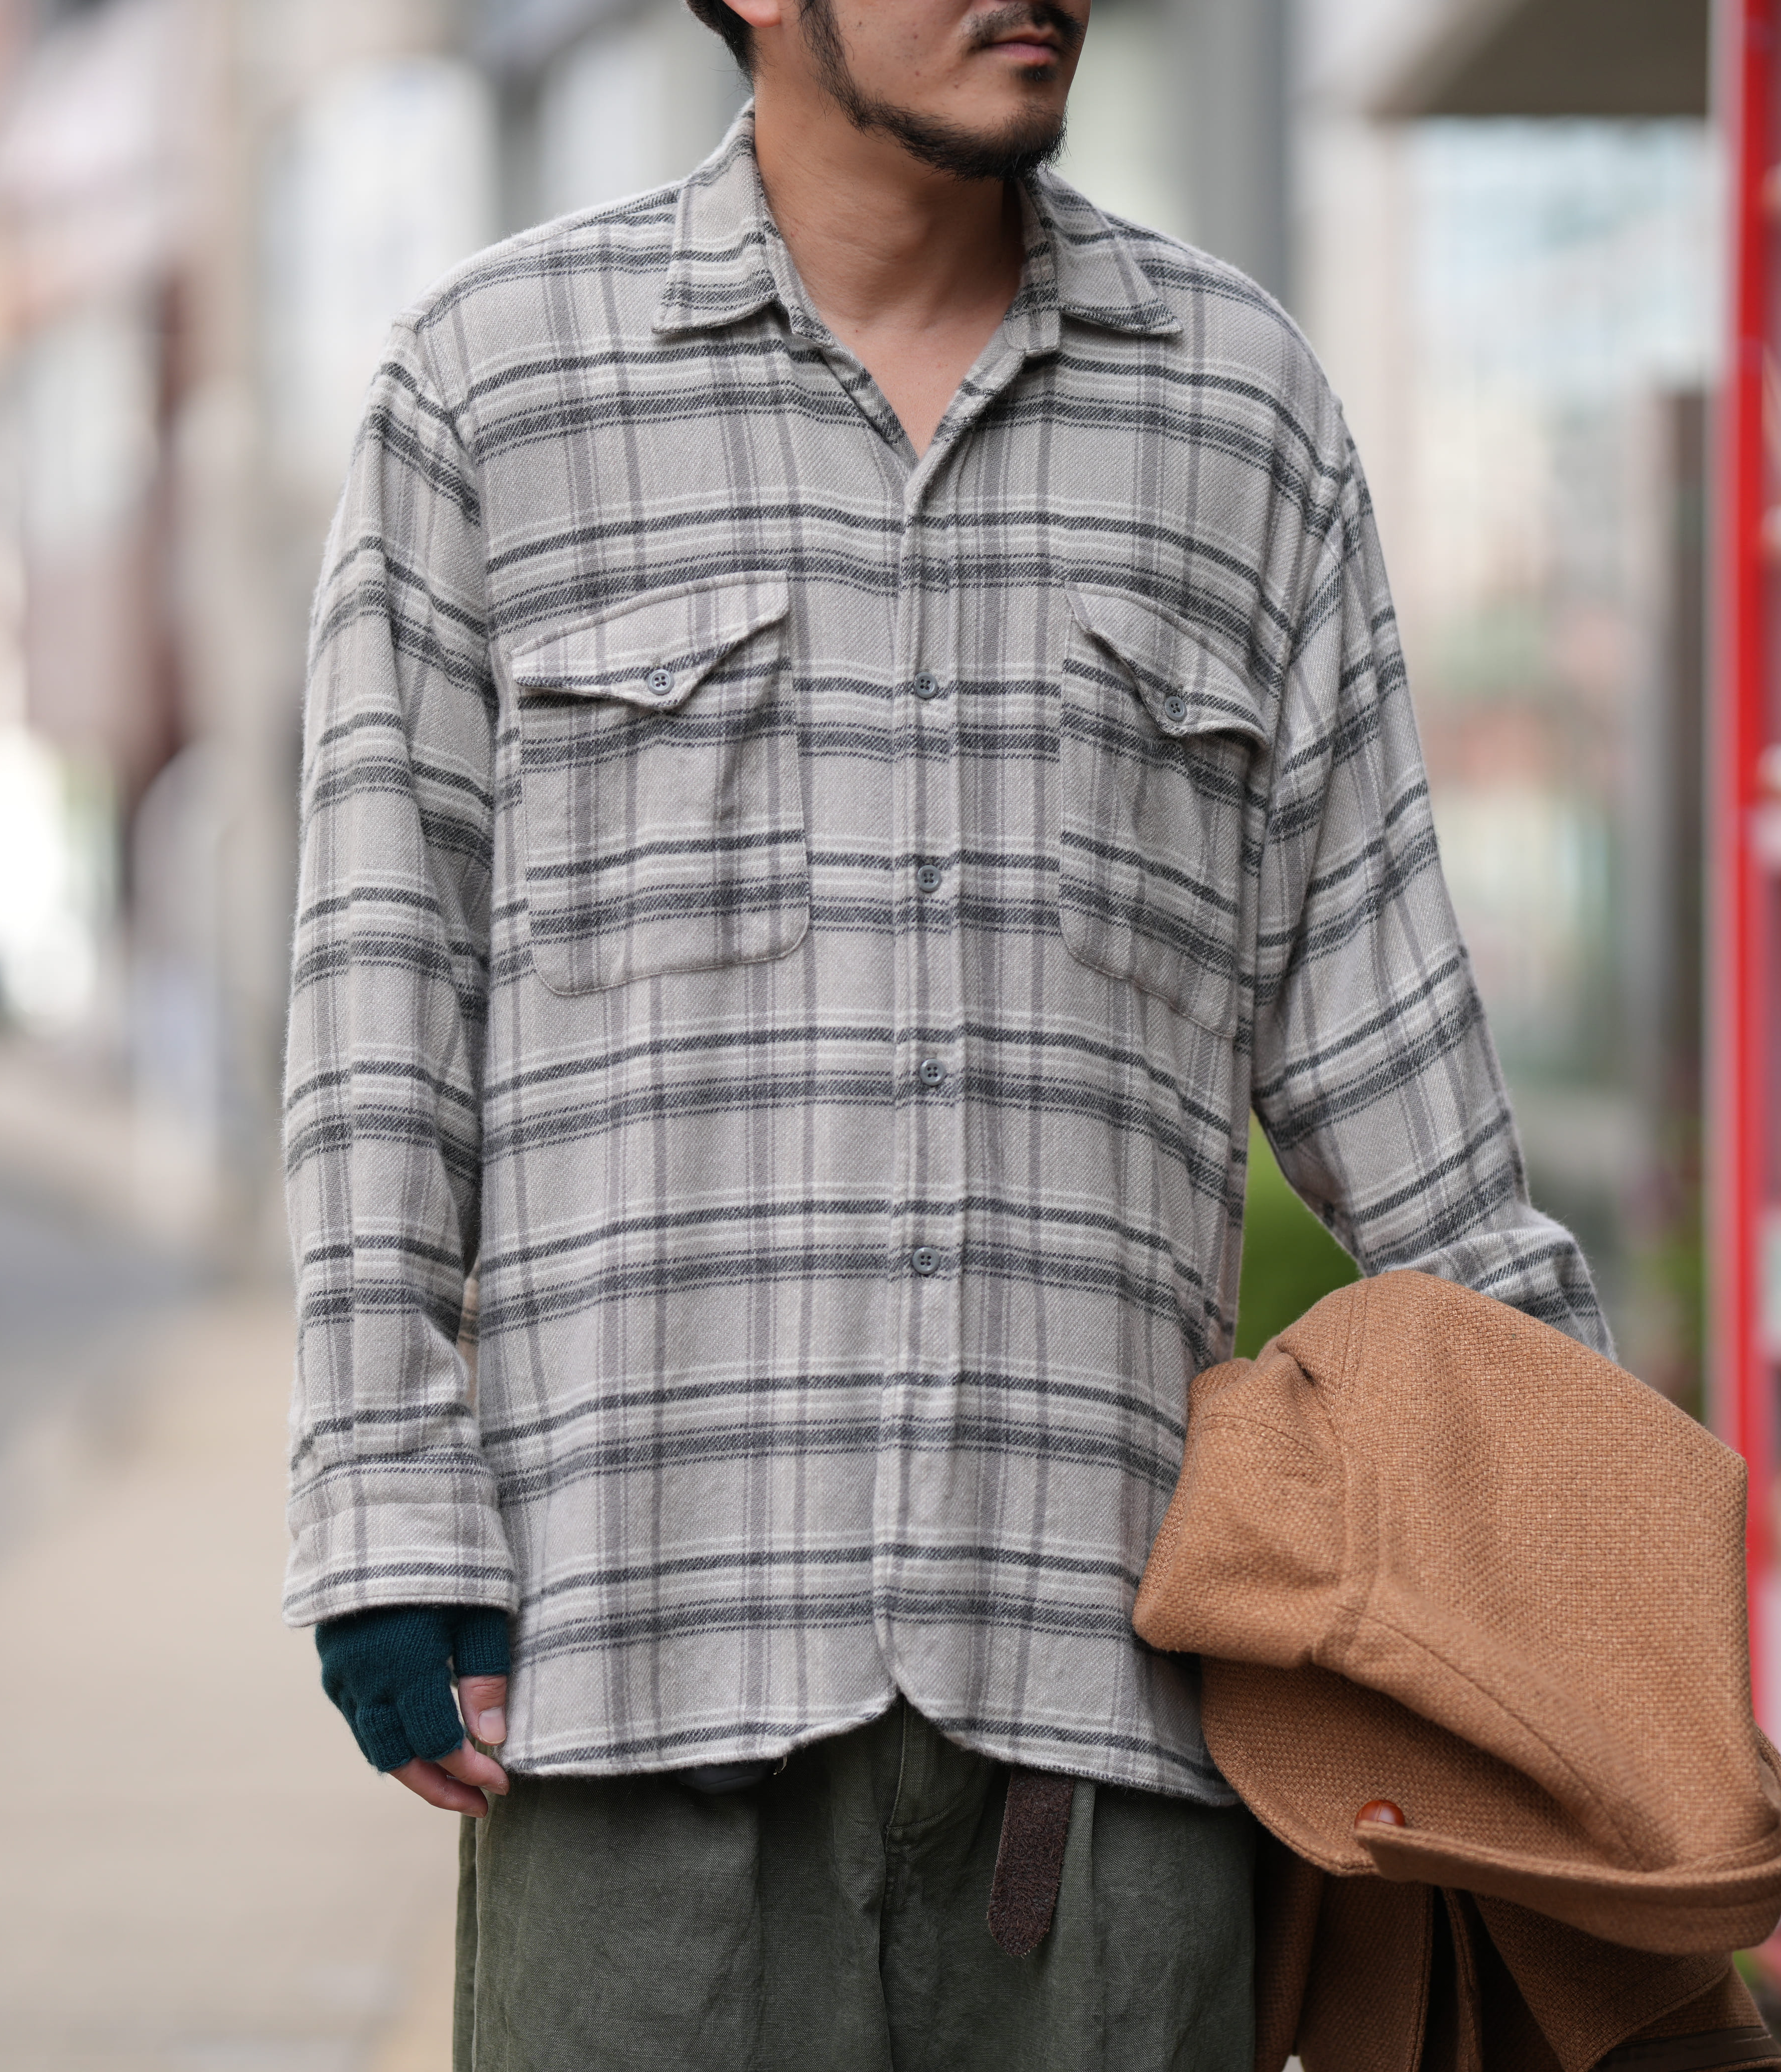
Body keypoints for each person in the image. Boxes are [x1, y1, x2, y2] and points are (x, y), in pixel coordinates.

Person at [283, 2, 1609, 2065]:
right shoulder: (492, 393)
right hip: (636, 1707)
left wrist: (1604, 1558)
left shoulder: (1240, 413)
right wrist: (386, 1503)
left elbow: (1406, 1087)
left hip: (1105, 1746)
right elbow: (381, 1000)